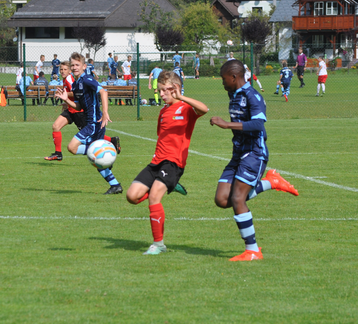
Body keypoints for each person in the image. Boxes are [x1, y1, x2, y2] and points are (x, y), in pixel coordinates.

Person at [210, 60, 299, 262]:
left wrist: (226, 125)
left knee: (238, 199)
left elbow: (258, 124)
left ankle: (252, 250)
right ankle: (271, 182)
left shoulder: (253, 96)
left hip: (254, 153)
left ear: (234, 77)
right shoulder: (234, 94)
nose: (222, 83)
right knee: (222, 199)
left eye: (224, 79)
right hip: (238, 154)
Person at [126, 70, 209, 255]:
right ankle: (170, 186)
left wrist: (182, 97)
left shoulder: (186, 108)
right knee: (132, 196)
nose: (161, 94)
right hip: (156, 162)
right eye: (160, 90)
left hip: (173, 163)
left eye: (164, 90)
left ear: (175, 88)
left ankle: (159, 245)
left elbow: (204, 109)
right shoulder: (163, 111)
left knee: (154, 197)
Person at [55, 52, 122, 195]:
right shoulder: (77, 83)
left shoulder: (87, 79)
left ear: (84, 66)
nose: (74, 67)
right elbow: (79, 107)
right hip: (91, 122)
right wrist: (66, 99)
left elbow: (103, 92)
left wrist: (105, 112)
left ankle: (107, 154)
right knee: (95, 155)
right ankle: (115, 185)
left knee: (73, 148)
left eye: (77, 65)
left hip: (94, 123)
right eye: (72, 65)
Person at [44, 60, 120, 161]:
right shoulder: (67, 80)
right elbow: (74, 94)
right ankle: (58, 153)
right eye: (61, 69)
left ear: (70, 70)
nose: (62, 71)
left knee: (91, 138)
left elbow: (76, 93)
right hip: (71, 110)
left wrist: (65, 95)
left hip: (78, 112)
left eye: (65, 69)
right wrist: (66, 100)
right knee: (56, 126)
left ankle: (110, 142)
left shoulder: (71, 79)